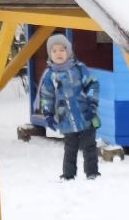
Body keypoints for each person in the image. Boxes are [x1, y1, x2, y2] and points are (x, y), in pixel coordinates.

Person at [34, 33, 99, 181]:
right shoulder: (50, 76)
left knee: (89, 146)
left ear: (68, 51)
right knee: (70, 148)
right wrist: (48, 114)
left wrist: (92, 105)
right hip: (66, 119)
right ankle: (68, 174)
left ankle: (92, 173)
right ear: (50, 54)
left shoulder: (79, 69)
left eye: (62, 50)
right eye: (54, 50)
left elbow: (93, 85)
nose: (58, 53)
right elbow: (47, 96)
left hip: (85, 115)